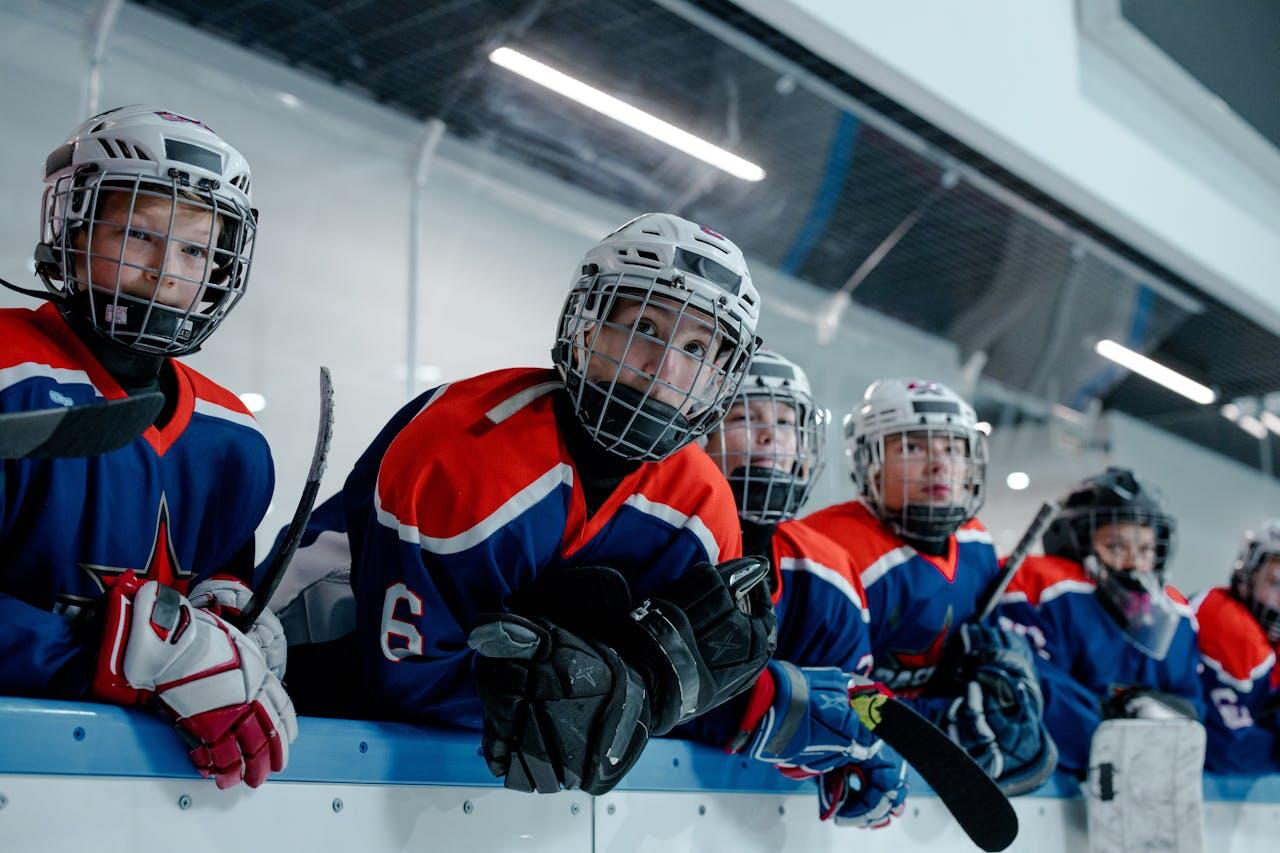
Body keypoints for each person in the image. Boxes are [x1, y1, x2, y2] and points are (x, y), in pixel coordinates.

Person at [280, 213, 774, 795]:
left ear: (722, 375)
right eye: (645, 327)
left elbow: (659, 690)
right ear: (589, 328)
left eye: (696, 347)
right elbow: (405, 681)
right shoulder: (464, 449)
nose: (665, 369)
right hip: (315, 685)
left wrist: (641, 695)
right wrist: (589, 698)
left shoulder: (703, 509)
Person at [0, 105, 295, 788]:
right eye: (137, 234)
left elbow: (215, 583)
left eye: (195, 249)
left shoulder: (234, 437)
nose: (166, 272)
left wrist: (230, 615)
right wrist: (105, 653)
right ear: (73, 234)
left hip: (139, 784)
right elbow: (149, 656)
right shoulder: (8, 377)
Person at [804, 378, 1055, 794]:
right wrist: (932, 716)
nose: (939, 465)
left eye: (953, 448)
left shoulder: (976, 542)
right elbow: (825, 695)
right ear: (870, 463)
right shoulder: (827, 547)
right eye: (913, 447)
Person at [698, 350, 907, 828]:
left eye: (787, 422)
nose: (771, 436)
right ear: (699, 431)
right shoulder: (660, 534)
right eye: (744, 416)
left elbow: (852, 698)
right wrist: (759, 708)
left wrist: (875, 738)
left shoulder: (827, 570)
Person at [997, 467, 1203, 777]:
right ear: (1073, 541)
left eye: (1146, 548)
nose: (1134, 563)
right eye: (1117, 547)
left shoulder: (1176, 616)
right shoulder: (1050, 590)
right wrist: (1116, 722)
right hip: (1057, 778)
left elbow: (1193, 707)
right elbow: (1038, 693)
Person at [1193, 521, 1280, 774]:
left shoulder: (1269, 643)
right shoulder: (1225, 624)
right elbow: (1232, 751)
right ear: (1249, 576)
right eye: (1276, 582)